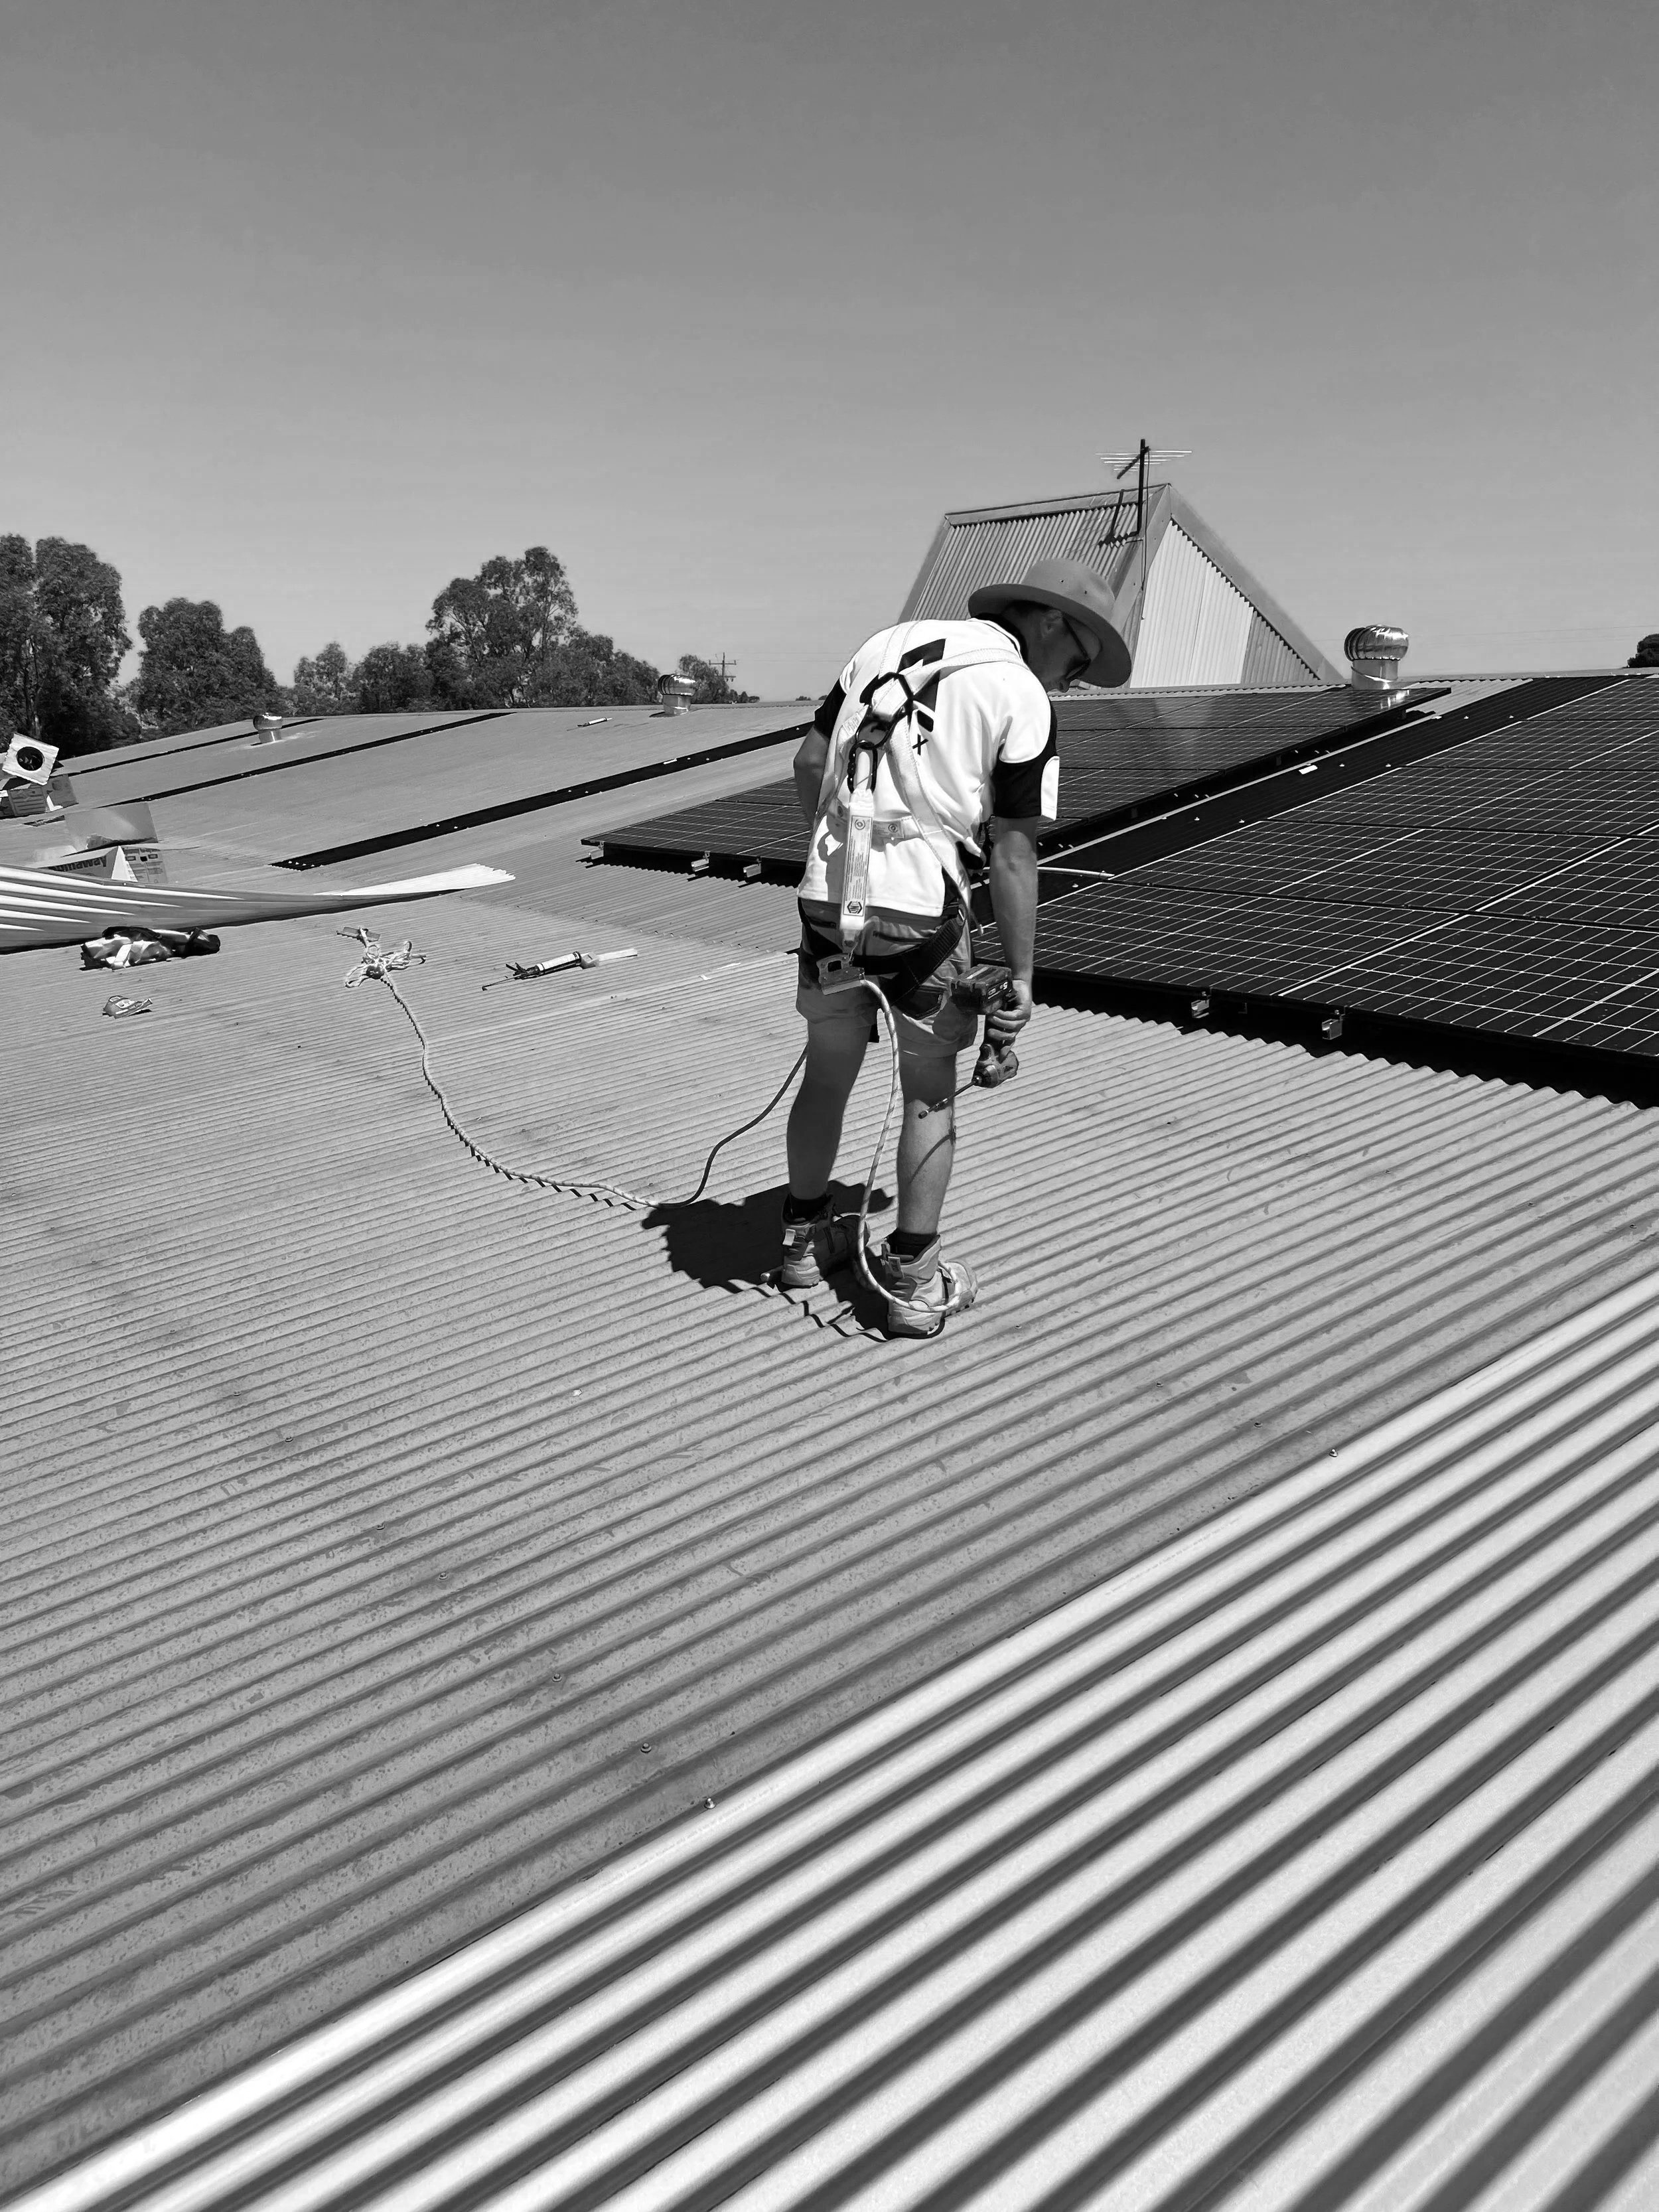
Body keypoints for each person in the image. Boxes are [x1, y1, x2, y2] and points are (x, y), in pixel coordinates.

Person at [780, 556, 1131, 1337]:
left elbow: (808, 763)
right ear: (1051, 621)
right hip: (919, 916)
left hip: (827, 902)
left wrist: (841, 858)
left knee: (827, 1071)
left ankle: (802, 1245)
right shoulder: (1018, 692)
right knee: (928, 1092)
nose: (1072, 681)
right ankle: (912, 1282)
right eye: (1078, 662)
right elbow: (1013, 851)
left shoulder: (883, 646)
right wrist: (1024, 977)